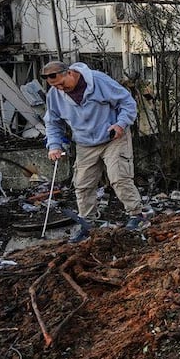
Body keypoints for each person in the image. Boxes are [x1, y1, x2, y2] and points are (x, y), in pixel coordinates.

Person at [42, 60, 148, 242]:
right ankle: (87, 223)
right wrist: (54, 145)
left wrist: (121, 123)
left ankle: (136, 215)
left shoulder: (98, 81)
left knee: (119, 177)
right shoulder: (55, 95)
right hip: (84, 143)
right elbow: (53, 122)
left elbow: (127, 102)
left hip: (112, 136)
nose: (60, 88)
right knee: (82, 184)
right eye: (55, 86)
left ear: (69, 73)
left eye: (61, 83)